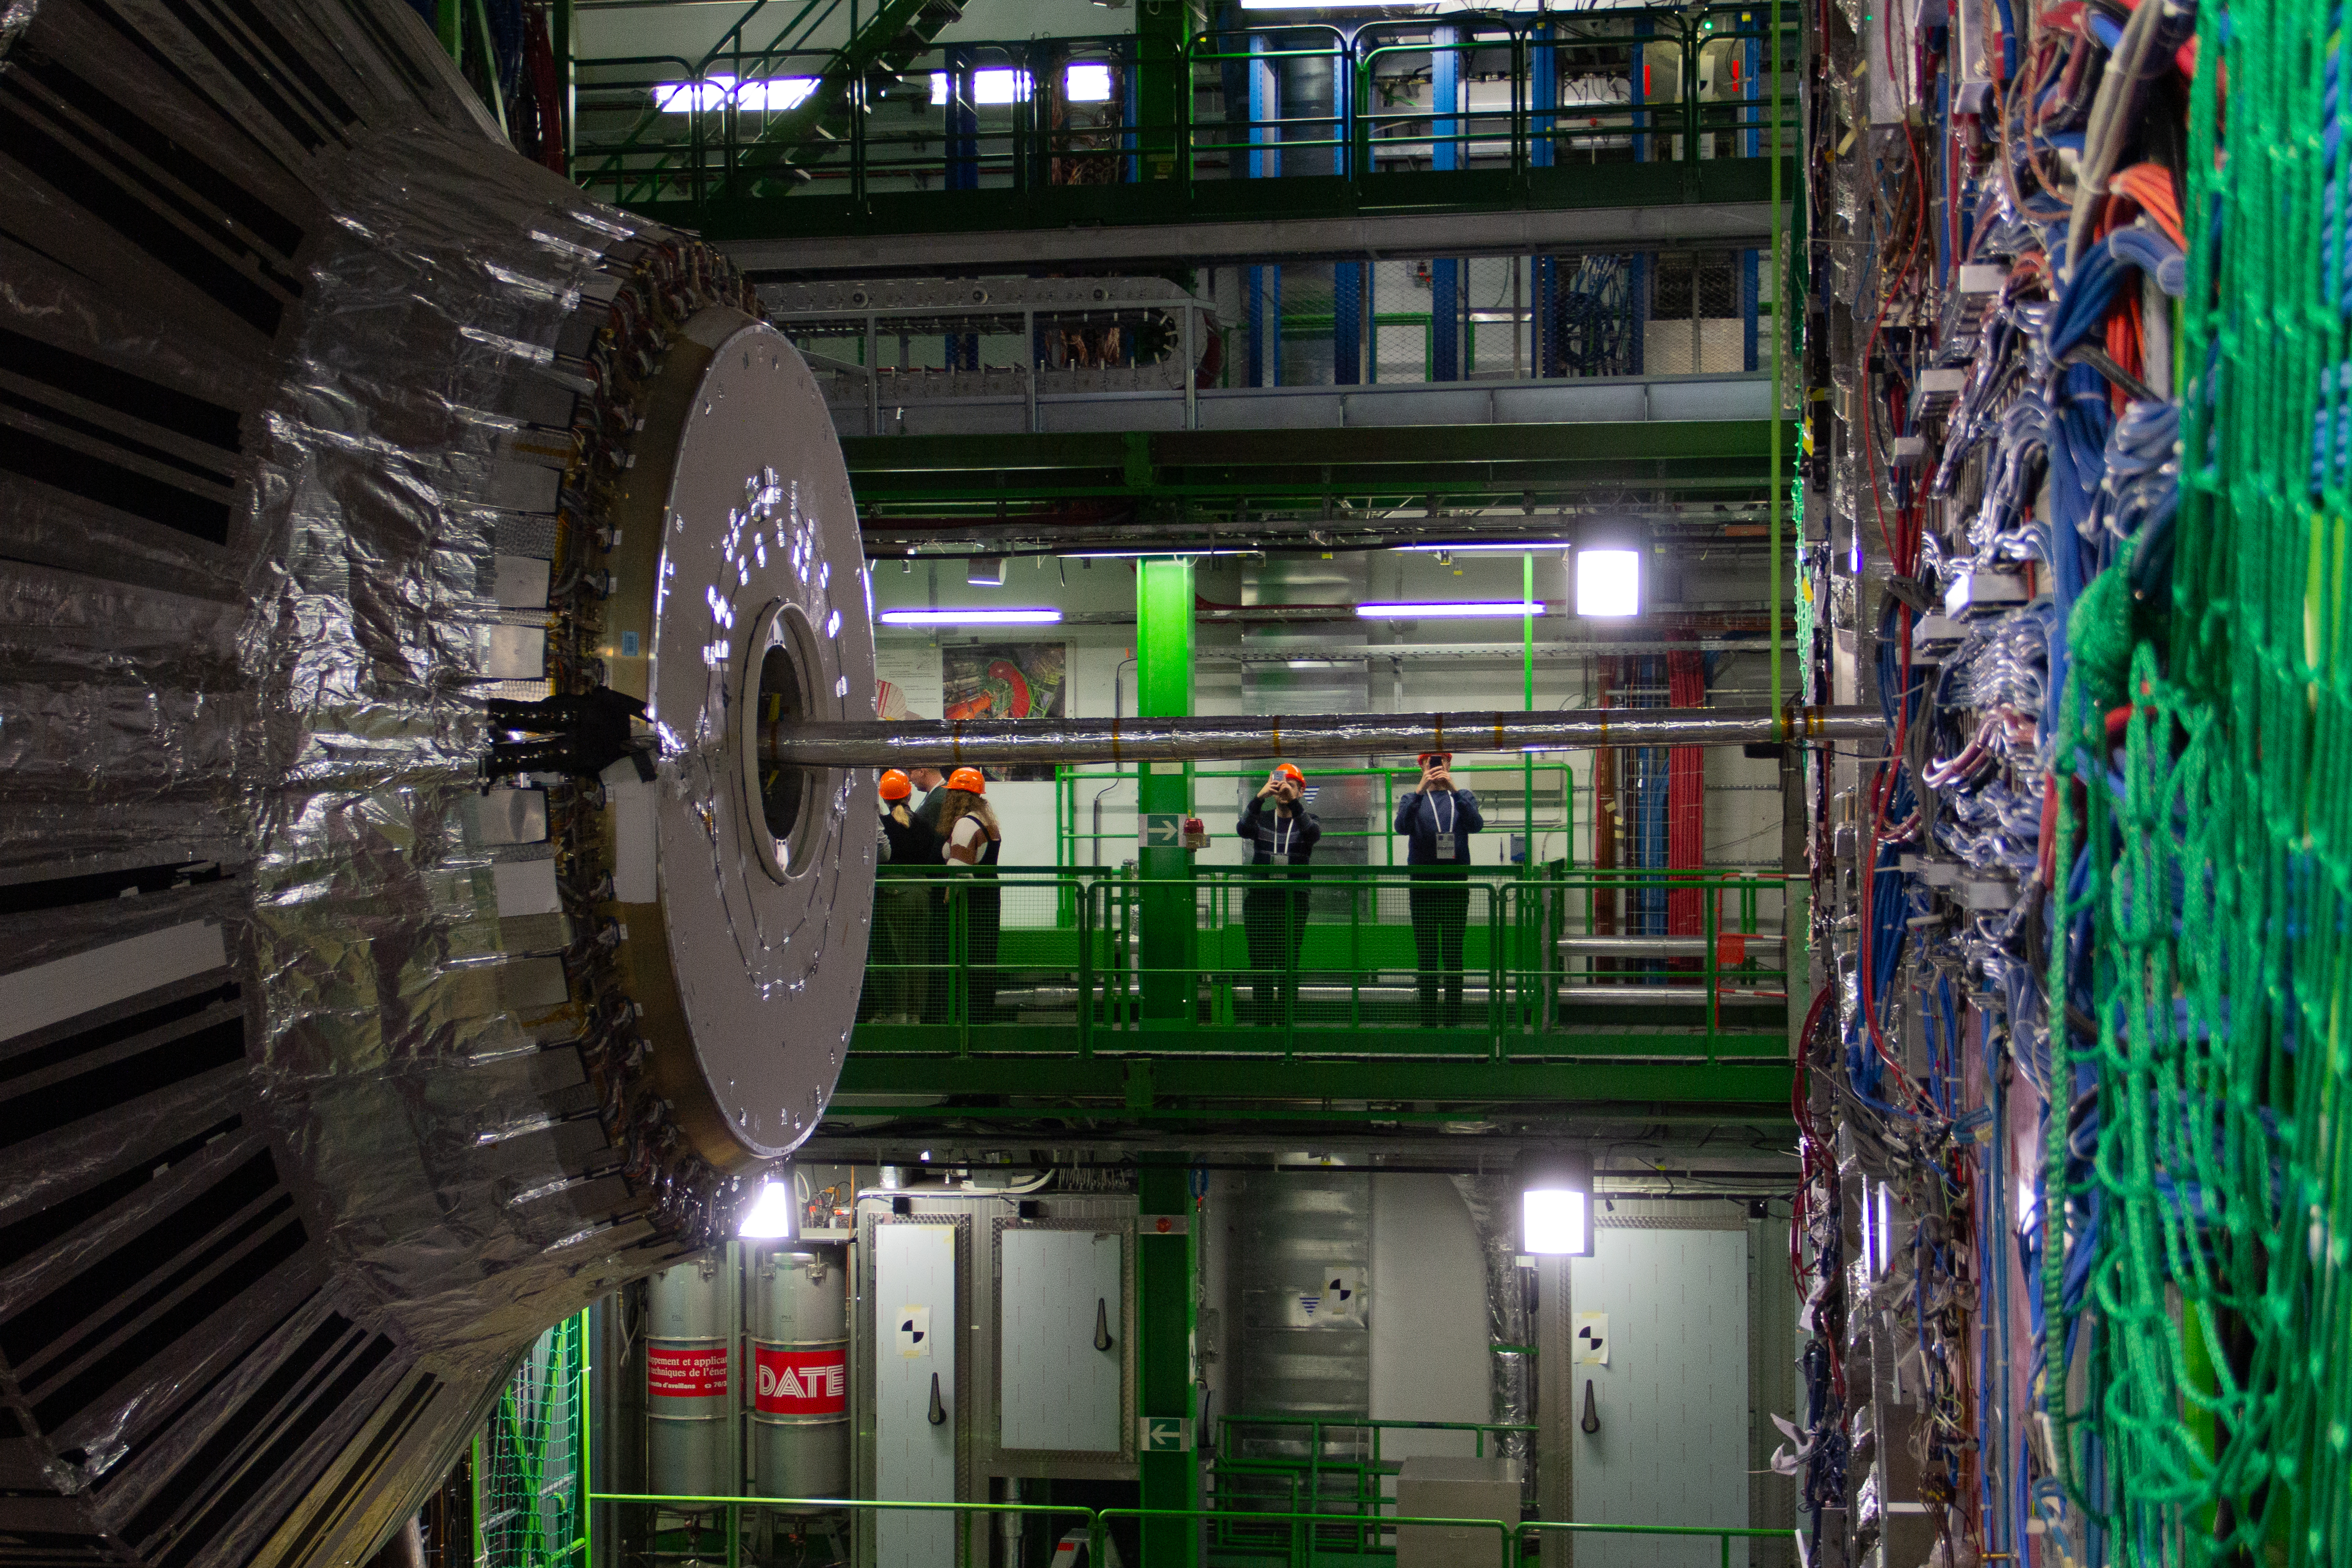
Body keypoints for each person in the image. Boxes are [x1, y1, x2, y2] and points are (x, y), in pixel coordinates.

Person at [1394, 751, 1484, 1027]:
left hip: (1455, 885)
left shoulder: (1463, 796)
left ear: (1449, 764)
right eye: (1429, 762)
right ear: (1421, 765)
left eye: (1441, 761)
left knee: (1454, 953)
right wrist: (1420, 790)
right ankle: (1428, 1020)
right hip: (1423, 886)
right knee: (1427, 954)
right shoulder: (1412, 799)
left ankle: (1453, 1019)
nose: (1435, 766)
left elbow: (1476, 825)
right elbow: (1401, 827)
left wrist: (1455, 788)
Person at [1237, 763, 1320, 1026]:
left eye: (1291, 786)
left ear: (1301, 790)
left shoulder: (1309, 820)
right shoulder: (1261, 818)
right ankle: (1263, 1026)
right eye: (1280, 786)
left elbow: (1313, 835)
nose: (1284, 790)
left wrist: (1295, 803)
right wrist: (1259, 798)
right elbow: (1242, 829)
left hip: (1293, 901)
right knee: (1261, 965)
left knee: (1288, 964)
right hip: (1260, 901)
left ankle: (1287, 1027)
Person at [866, 770, 941, 1023]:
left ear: (884, 798)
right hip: (923, 892)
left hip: (894, 893)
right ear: (909, 794)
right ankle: (915, 1017)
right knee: (918, 957)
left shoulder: (883, 826)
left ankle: (896, 1017)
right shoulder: (924, 826)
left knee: (892, 954)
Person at [935, 768, 1004, 1024]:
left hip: (969, 904)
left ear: (957, 796)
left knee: (964, 961)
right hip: (987, 898)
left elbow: (959, 871)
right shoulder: (986, 821)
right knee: (983, 961)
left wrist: (947, 901)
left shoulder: (965, 824)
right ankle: (980, 1020)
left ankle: (963, 1023)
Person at [907, 766, 949, 833]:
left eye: (910, 773)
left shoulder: (938, 801)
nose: (909, 779)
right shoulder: (938, 794)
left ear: (921, 772)